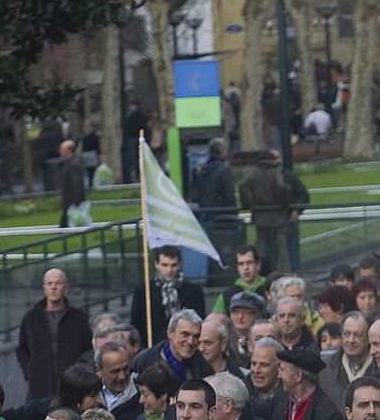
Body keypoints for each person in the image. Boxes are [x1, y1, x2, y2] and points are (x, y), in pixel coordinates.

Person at [16, 268, 94, 400]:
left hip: (72, 387)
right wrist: (30, 372)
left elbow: (88, 349)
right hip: (39, 388)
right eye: (49, 283)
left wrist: (81, 374)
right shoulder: (31, 318)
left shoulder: (78, 317)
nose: (53, 287)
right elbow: (22, 349)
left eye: (58, 283)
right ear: (44, 288)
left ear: (66, 288)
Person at [239, 150, 310, 273]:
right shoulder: (277, 173)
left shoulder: (254, 173)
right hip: (279, 219)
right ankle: (285, 274)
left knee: (261, 249)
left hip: (260, 218)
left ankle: (259, 273)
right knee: (283, 250)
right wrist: (286, 205)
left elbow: (242, 186)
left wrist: (248, 204)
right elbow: (282, 190)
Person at [131, 245, 207, 347]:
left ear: (179, 265)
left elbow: (200, 321)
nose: (169, 270)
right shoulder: (143, 291)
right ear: (156, 265)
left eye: (174, 265)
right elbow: (135, 324)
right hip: (153, 348)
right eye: (165, 265)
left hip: (187, 346)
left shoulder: (194, 291)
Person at [190, 137, 240, 283]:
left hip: (208, 217)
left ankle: (212, 278)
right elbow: (230, 196)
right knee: (228, 249)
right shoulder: (224, 170)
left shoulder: (202, 171)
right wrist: (233, 214)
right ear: (221, 151)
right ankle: (227, 277)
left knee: (212, 250)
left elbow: (197, 195)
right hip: (224, 218)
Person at [56, 139, 87, 228]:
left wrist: (76, 201)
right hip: (70, 200)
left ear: (69, 150)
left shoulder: (73, 164)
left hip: (71, 201)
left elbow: (76, 183)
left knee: (65, 226)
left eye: (62, 148)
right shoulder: (69, 163)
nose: (60, 151)